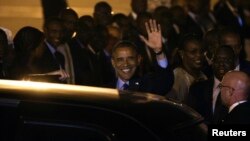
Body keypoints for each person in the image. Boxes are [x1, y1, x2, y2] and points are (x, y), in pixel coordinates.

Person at [106, 19, 174, 96]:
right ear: (113, 62)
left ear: (138, 59)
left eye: (130, 58)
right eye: (120, 59)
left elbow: (165, 82)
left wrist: (158, 52)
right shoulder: (105, 89)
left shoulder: (148, 84)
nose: (126, 64)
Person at [187, 45, 236, 124]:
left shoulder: (242, 90)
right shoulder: (197, 89)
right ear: (212, 62)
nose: (221, 64)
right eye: (218, 60)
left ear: (234, 63)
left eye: (226, 60)